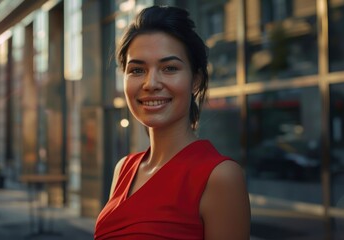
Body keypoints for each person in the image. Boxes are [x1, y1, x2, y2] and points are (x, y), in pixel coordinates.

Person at [94, 5, 250, 240]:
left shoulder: (220, 176)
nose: (150, 83)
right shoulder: (124, 168)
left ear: (195, 80)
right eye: (137, 70)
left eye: (169, 68)